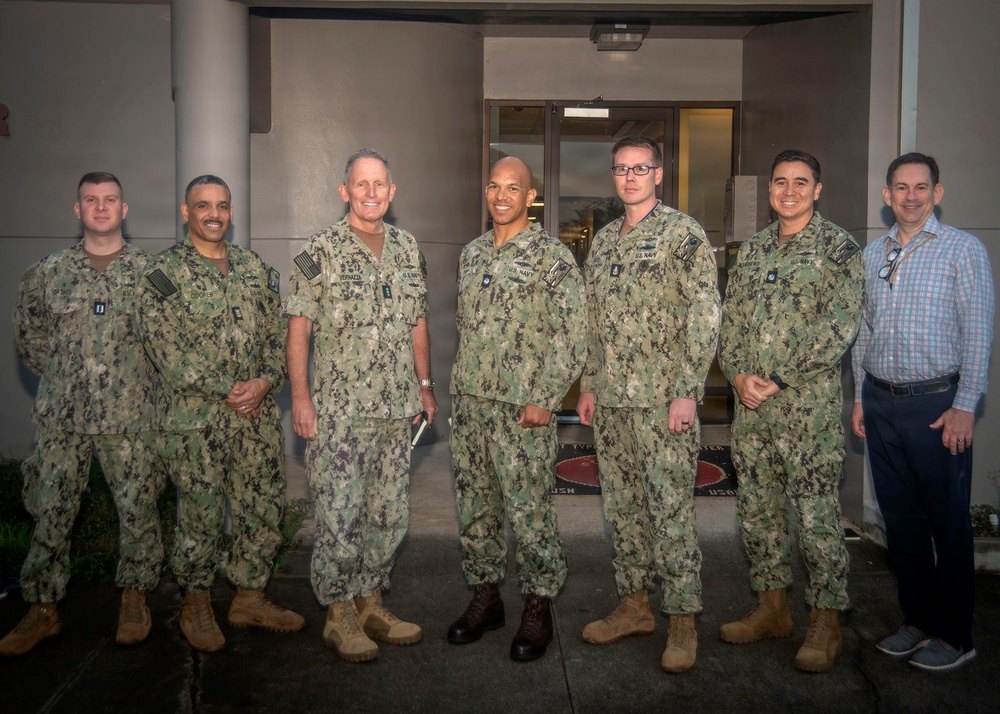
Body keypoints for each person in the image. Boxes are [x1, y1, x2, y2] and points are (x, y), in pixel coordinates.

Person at [135, 175, 303, 652]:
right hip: (197, 421)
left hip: (255, 418)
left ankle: (249, 597)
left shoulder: (254, 268)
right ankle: (196, 603)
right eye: (203, 205)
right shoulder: (162, 274)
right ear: (185, 212)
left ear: (232, 212)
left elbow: (277, 335)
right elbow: (166, 349)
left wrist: (265, 381)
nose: (214, 214)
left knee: (262, 507)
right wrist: (229, 389)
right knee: (200, 514)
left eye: (223, 206)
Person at [1, 172, 163, 657]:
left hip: (130, 419)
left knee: (138, 512)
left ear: (124, 210)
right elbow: (29, 340)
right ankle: (42, 608)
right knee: (49, 513)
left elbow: (167, 343)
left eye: (110, 199)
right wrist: (66, 380)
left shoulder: (151, 275)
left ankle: (134, 600)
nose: (101, 207)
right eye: (91, 200)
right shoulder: (46, 273)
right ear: (78, 210)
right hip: (62, 419)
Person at [286, 148, 438, 663]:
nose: (371, 193)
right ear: (344, 191)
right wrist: (301, 398)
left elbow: (417, 320)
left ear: (391, 193)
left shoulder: (407, 247)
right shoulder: (318, 250)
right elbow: (299, 330)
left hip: (396, 409)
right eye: (361, 184)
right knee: (339, 514)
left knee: (389, 513)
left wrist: (424, 385)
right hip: (338, 412)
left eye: (379, 185)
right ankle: (338, 613)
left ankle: (370, 601)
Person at [576, 136, 721, 673]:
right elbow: (593, 320)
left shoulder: (683, 233)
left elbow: (704, 314)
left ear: (659, 174)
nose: (630, 177)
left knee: (670, 511)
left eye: (640, 168)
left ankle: (682, 620)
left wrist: (688, 390)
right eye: (621, 169)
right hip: (613, 403)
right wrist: (589, 383)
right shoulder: (604, 241)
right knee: (623, 509)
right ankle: (635, 606)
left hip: (663, 403)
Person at [718, 149, 863, 673]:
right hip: (753, 412)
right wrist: (738, 376)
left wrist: (779, 379)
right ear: (770, 190)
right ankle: (772, 608)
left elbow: (839, 327)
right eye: (780, 182)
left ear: (817, 190)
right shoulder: (753, 250)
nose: (789, 191)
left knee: (817, 517)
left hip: (807, 413)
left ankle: (826, 621)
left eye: (801, 182)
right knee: (759, 512)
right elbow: (730, 322)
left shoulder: (839, 249)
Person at [851, 153, 994, 672]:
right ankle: (915, 621)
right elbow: (862, 331)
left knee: (947, 524)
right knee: (902, 522)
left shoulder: (963, 249)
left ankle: (954, 635)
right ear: (886, 195)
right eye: (901, 187)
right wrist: (861, 395)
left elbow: (978, 332)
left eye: (920, 187)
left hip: (938, 406)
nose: (910, 196)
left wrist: (964, 406)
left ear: (937, 193)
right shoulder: (873, 254)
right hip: (881, 401)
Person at [446, 156, 587, 662]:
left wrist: (545, 397)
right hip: (471, 406)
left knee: (529, 513)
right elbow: (466, 325)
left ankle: (537, 603)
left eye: (513, 188)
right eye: (494, 186)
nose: (501, 196)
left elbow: (573, 334)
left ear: (530, 197)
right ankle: (486, 597)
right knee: (475, 508)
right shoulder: (471, 254)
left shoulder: (552, 257)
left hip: (522, 412)